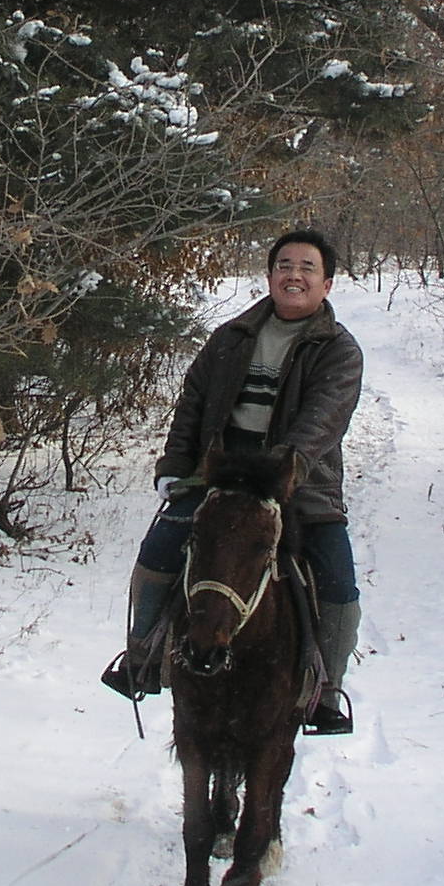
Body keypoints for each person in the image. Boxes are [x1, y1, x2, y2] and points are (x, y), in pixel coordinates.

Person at [101, 228, 364, 735]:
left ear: (326, 284)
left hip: (297, 486)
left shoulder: (338, 350)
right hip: (217, 476)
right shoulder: (230, 337)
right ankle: (145, 656)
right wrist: (176, 468)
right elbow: (193, 403)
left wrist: (282, 471)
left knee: (337, 582)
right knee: (159, 552)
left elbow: (322, 421)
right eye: (284, 265)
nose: (294, 275)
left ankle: (325, 690)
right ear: (269, 276)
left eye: (307, 268)